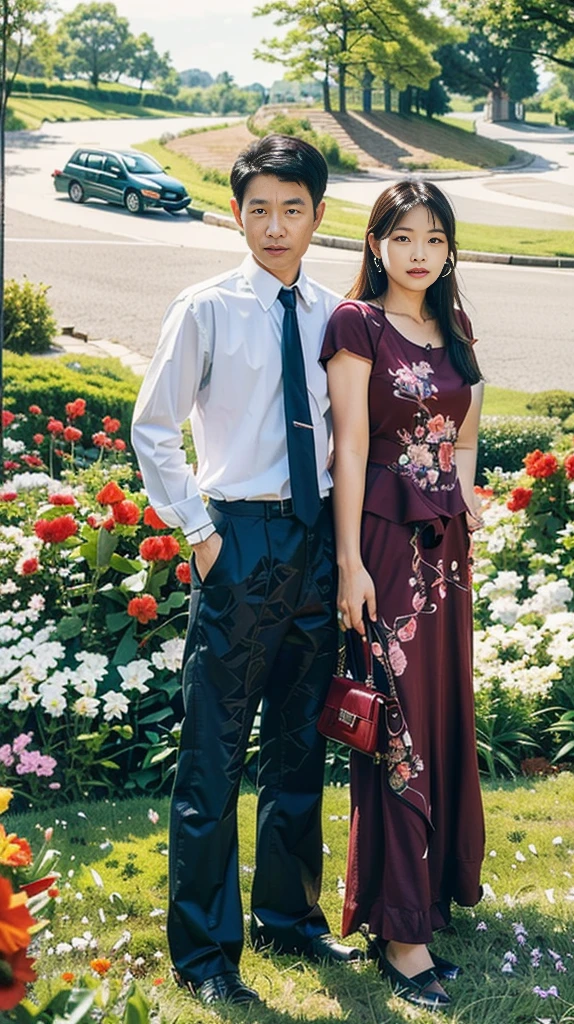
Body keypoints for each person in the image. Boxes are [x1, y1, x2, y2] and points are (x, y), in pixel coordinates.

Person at [131, 134, 362, 1009]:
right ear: (236, 213)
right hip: (240, 541)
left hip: (313, 546)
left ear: (317, 215)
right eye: (259, 208)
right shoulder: (206, 307)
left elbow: (350, 437)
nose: (275, 225)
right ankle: (204, 950)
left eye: (292, 208)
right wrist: (198, 529)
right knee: (215, 752)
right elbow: (152, 427)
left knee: (301, 744)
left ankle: (289, 921)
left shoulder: (339, 314)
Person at [320, 180, 486, 1011]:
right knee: (399, 728)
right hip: (384, 546)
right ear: (376, 242)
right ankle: (400, 932)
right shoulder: (358, 324)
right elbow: (350, 448)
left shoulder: (455, 329)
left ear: (449, 248)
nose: (419, 251)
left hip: (446, 554)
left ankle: (429, 899)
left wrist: (469, 506)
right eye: (403, 236)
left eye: (434, 237)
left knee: (441, 714)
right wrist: (350, 562)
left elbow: (464, 440)